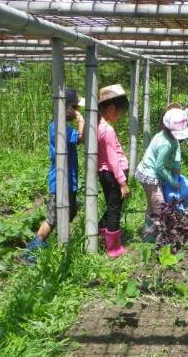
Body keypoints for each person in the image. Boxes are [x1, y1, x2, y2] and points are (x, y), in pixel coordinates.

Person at [23, 88, 84, 264]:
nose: (77, 111)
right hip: (60, 181)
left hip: (68, 180)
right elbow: (81, 138)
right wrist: (81, 122)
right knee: (53, 218)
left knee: (70, 210)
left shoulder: (62, 126)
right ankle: (32, 248)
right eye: (75, 107)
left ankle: (52, 241)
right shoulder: (58, 127)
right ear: (66, 108)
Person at [135, 107, 188, 241]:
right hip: (149, 176)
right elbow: (159, 167)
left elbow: (176, 149)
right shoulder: (165, 143)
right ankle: (161, 238)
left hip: (153, 173)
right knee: (159, 206)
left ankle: (148, 236)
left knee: (152, 205)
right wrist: (173, 181)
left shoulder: (168, 136)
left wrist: (176, 167)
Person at [97, 84, 131, 258]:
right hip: (113, 174)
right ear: (111, 108)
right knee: (115, 210)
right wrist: (123, 183)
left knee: (112, 205)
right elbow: (112, 159)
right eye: (119, 112)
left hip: (104, 173)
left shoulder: (96, 126)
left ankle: (101, 231)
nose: (120, 116)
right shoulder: (107, 130)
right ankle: (114, 248)